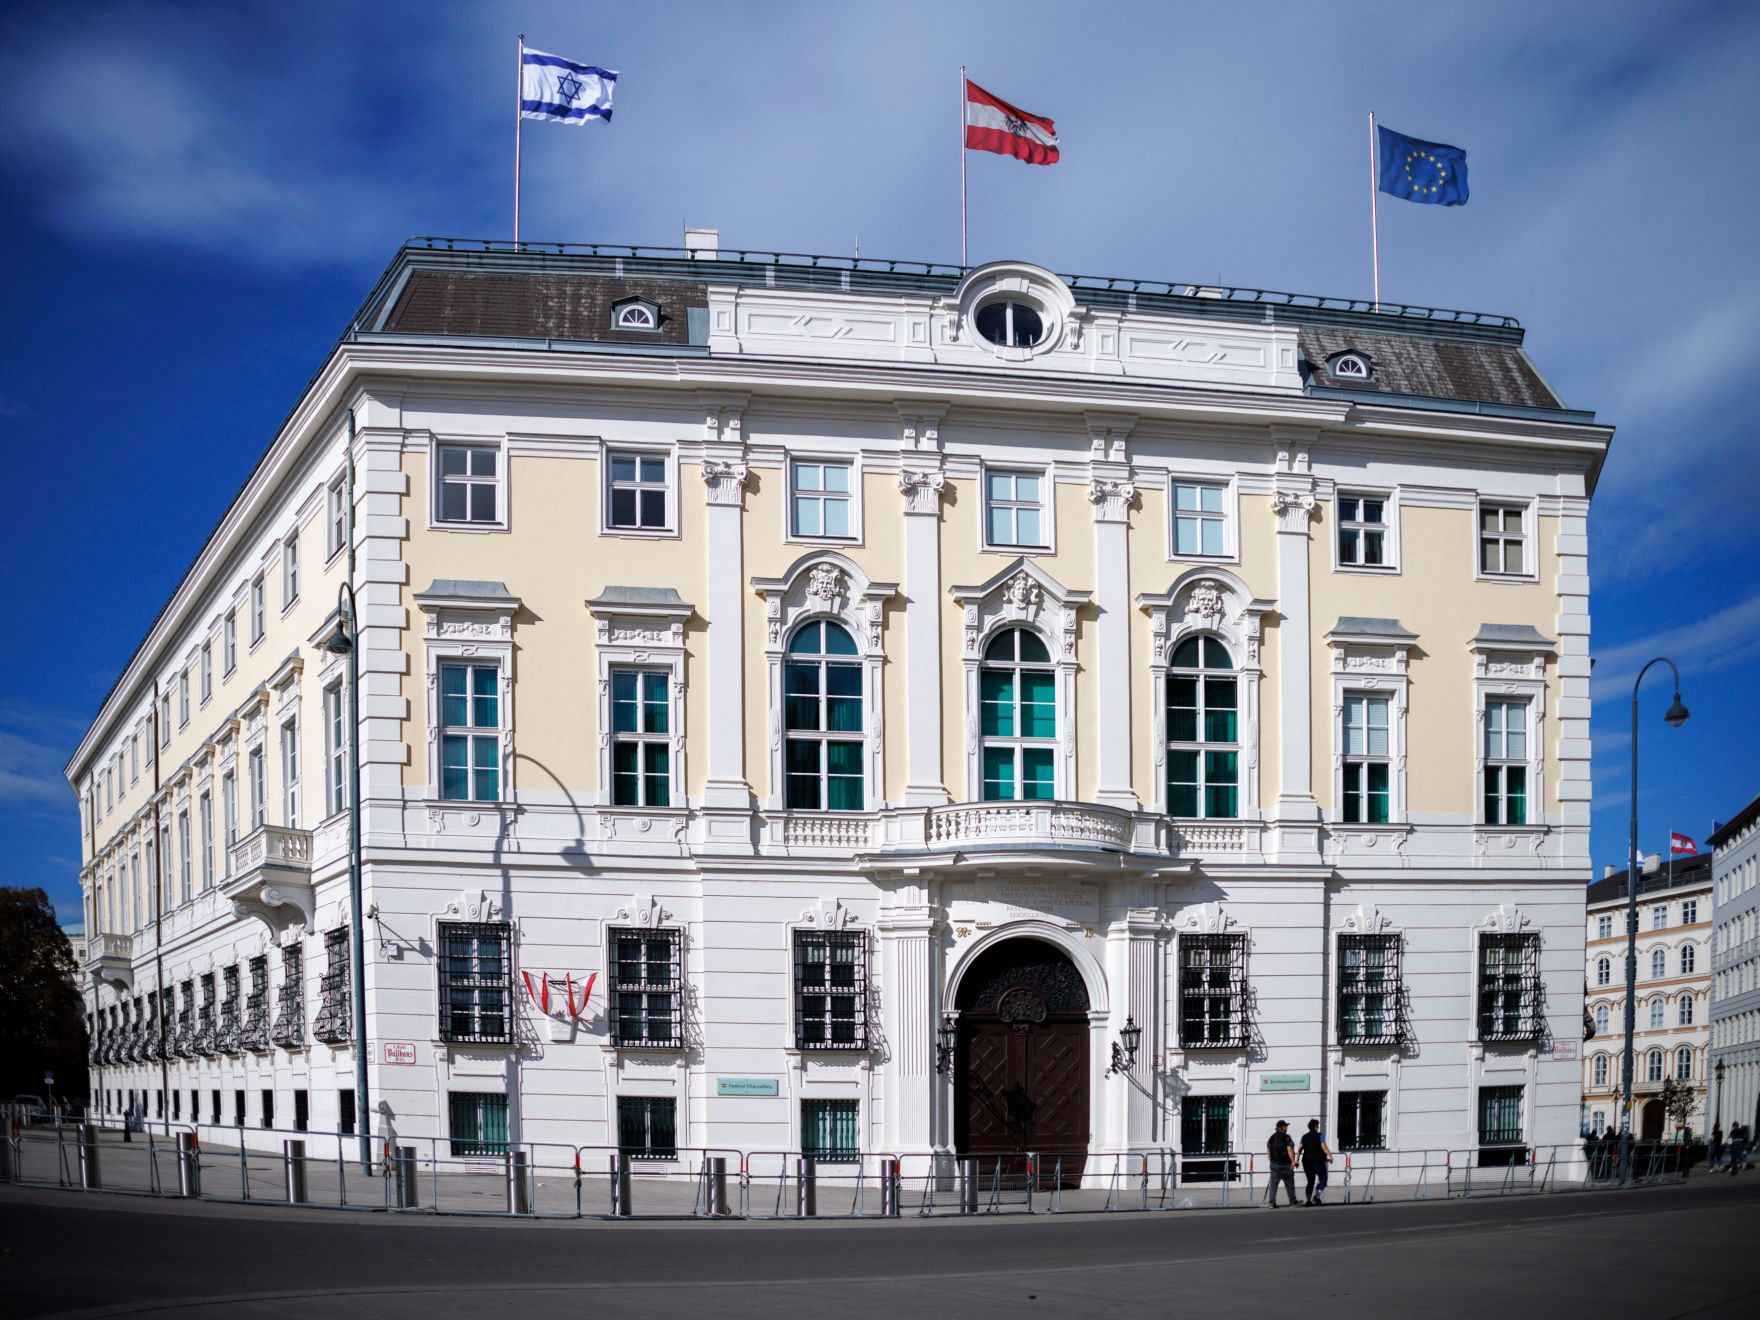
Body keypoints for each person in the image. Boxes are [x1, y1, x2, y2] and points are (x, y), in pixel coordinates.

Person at [1265, 1120, 1298, 1208]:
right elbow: (1289, 1149)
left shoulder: (1271, 1137)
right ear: (1282, 1127)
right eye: (1285, 1126)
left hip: (1275, 1164)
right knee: (1289, 1184)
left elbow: (1268, 1151)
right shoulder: (1287, 1137)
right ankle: (1293, 1202)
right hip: (1286, 1164)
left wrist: (1271, 1161)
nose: (1287, 1127)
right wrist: (1293, 1162)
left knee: (1273, 1185)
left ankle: (1272, 1203)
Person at [1300, 1118, 1333, 1205]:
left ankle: (1308, 1200)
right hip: (1318, 1161)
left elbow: (1300, 1148)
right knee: (1323, 1179)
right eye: (1317, 1125)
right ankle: (1317, 1196)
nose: (1318, 1127)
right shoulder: (1320, 1135)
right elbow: (1324, 1147)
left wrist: (1296, 1160)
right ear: (1315, 1126)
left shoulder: (1304, 1137)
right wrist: (1330, 1155)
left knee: (1310, 1181)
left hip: (1306, 1162)